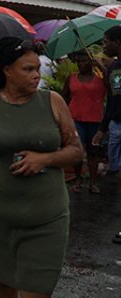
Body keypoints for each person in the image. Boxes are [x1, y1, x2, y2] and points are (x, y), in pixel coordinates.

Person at [0, 37, 83, 298]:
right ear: (6, 70)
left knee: (37, 296)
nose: (36, 74)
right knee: (3, 284)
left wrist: (46, 159)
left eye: (37, 67)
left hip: (46, 217)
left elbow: (76, 150)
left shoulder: (52, 101)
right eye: (28, 69)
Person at [62, 50, 106, 194]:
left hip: (95, 120)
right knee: (78, 151)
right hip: (76, 119)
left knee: (94, 152)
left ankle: (92, 183)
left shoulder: (100, 79)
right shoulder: (71, 78)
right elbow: (64, 98)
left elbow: (113, 84)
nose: (81, 64)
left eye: (84, 61)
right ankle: (77, 180)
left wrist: (100, 66)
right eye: (79, 61)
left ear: (91, 62)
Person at [92, 26, 121, 176]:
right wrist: (103, 129)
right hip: (115, 124)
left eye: (105, 42)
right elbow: (112, 98)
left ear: (116, 43)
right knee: (114, 168)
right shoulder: (114, 67)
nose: (104, 46)